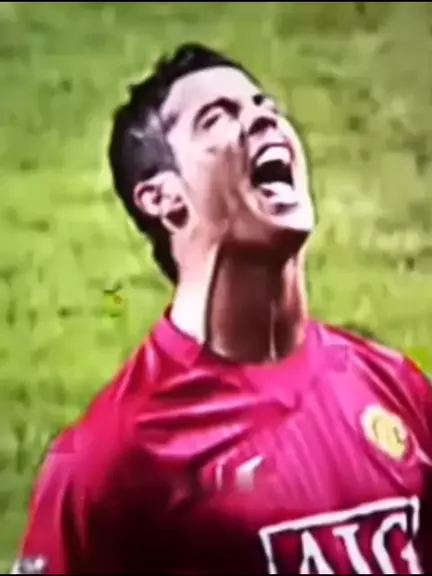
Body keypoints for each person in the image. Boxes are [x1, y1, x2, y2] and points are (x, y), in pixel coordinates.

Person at [12, 43, 432, 575]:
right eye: (217, 117)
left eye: (266, 107)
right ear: (162, 197)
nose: (262, 119)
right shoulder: (112, 459)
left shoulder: (392, 386)